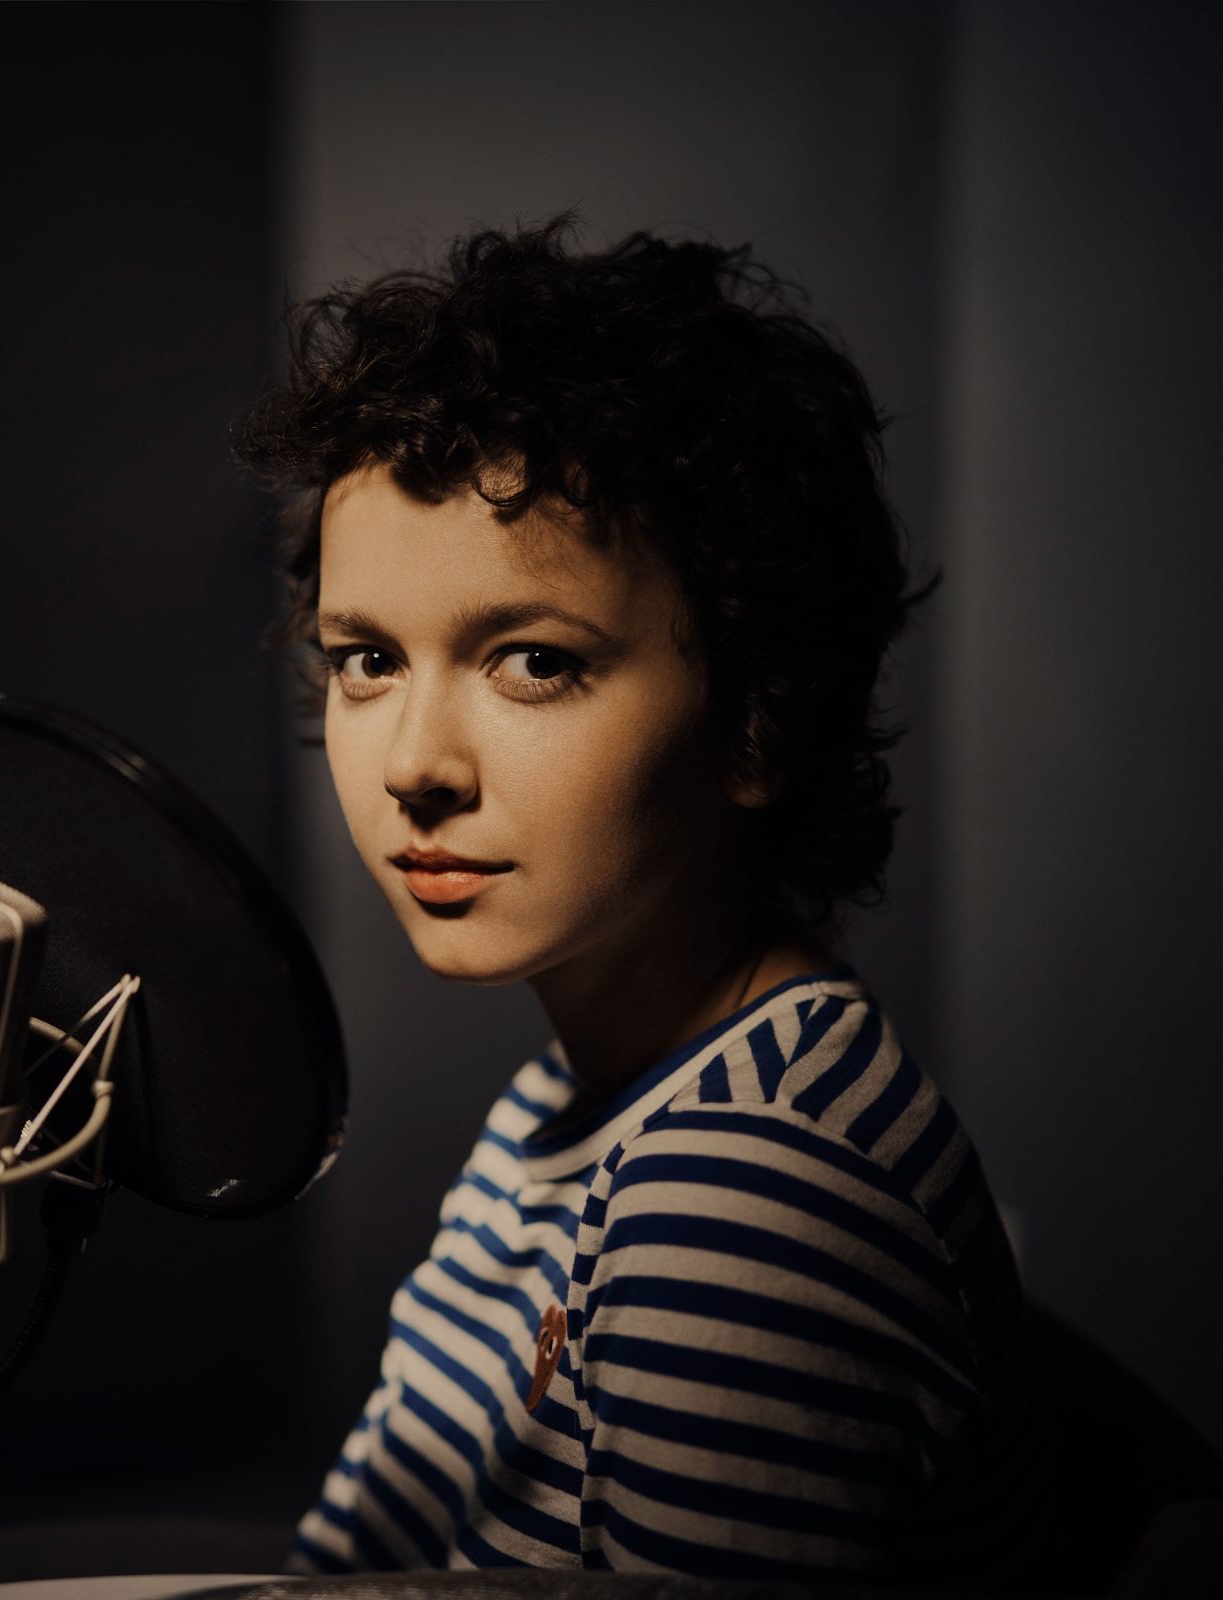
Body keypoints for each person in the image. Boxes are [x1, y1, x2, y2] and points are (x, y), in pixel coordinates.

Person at [232, 219, 1046, 1581]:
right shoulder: (564, 1110)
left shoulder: (749, 1189)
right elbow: (347, 1572)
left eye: (534, 662)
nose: (415, 765)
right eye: (367, 658)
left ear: (756, 720)